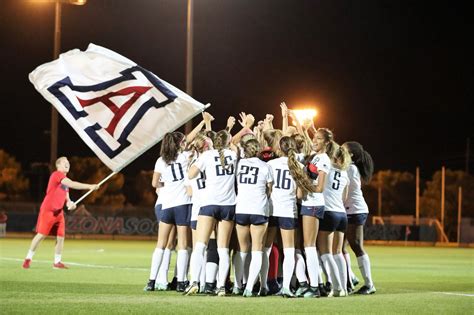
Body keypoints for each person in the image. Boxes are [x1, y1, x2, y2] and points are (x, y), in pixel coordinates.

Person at [185, 130, 238, 297]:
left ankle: (194, 282)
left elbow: (191, 174)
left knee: (200, 246)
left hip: (209, 203)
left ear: (213, 142)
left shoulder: (207, 156)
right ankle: (221, 286)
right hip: (229, 204)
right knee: (223, 249)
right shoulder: (233, 155)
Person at [22, 157, 99, 269]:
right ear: (58, 165)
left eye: (68, 162)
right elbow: (72, 183)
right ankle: (28, 259)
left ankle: (57, 262)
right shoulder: (56, 175)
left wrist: (70, 204)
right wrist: (89, 186)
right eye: (64, 162)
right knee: (41, 236)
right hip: (48, 211)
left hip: (59, 213)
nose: (67, 164)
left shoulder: (65, 182)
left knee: (61, 237)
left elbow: (67, 199)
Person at [266, 136, 315, 298]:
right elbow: (300, 194)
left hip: (273, 210)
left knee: (266, 249)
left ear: (279, 149)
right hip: (288, 211)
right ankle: (286, 286)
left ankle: (263, 285)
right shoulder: (299, 165)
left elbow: (268, 189)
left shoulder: (271, 164)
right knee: (289, 251)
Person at [144, 132, 192, 292]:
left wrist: (167, 185)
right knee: (183, 245)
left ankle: (151, 281)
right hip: (182, 204)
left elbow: (154, 183)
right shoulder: (185, 157)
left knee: (161, 244)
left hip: (166, 205)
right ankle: (181, 282)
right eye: (183, 142)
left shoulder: (161, 160)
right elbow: (193, 141)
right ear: (179, 144)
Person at [233, 139, 273, 297]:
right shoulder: (265, 166)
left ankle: (237, 285)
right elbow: (270, 189)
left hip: (241, 208)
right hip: (259, 209)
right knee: (257, 249)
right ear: (258, 151)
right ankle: (249, 288)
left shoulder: (239, 164)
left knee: (241, 249)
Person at [317, 142, 351, 297]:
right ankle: (344, 287)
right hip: (342, 214)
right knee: (338, 253)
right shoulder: (345, 173)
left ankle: (337, 288)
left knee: (325, 253)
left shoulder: (326, 166)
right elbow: (345, 197)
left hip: (329, 212)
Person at [343, 141, 376, 295]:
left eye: (343, 150)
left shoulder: (350, 168)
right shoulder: (348, 167)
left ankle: (369, 284)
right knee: (338, 248)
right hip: (348, 210)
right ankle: (350, 278)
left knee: (356, 246)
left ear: (350, 155)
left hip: (355, 211)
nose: (339, 151)